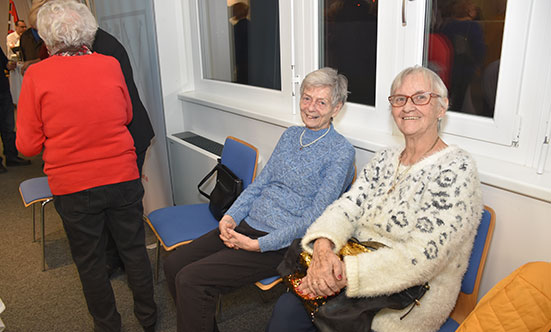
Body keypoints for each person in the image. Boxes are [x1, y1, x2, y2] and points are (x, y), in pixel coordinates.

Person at [267, 66, 483, 332]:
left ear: (442, 107)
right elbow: (345, 208)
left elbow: (422, 258)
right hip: (353, 263)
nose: (408, 107)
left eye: (420, 97)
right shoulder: (384, 159)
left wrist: (342, 273)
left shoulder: (457, 169)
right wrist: (323, 250)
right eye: (399, 99)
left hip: (409, 297)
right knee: (287, 309)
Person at [163, 67, 356, 332]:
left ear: (336, 107)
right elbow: (261, 184)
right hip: (248, 225)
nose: (311, 107)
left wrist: (258, 244)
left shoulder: (341, 151)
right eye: (307, 98)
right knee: (174, 264)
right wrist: (231, 217)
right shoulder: (291, 135)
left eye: (321, 102)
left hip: (280, 244)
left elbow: (315, 217)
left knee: (191, 279)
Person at [15, 1, 156, 331]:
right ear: (87, 31)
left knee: (90, 262)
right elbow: (126, 115)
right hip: (122, 177)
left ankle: (108, 326)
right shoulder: (108, 65)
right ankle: (149, 319)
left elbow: (27, 145)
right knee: (134, 250)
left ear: (47, 38)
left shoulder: (37, 75)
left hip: (74, 186)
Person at [0, 48, 30, 173]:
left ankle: (11, 156)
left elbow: (4, 63)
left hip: (2, 90)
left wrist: (10, 64)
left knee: (8, 126)